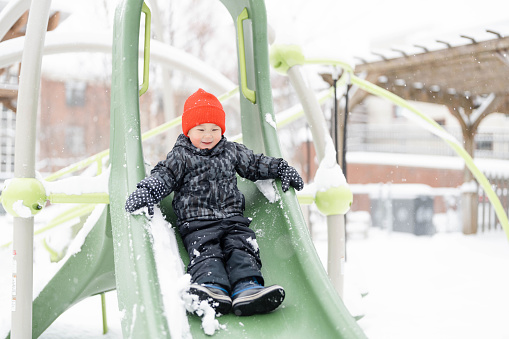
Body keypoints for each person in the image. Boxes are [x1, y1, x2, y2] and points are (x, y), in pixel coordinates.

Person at [125, 88, 304, 316]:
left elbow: (254, 163)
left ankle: (247, 288)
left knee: (242, 248)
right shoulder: (180, 156)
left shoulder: (231, 151)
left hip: (232, 219)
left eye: (214, 129)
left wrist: (280, 168)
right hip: (197, 223)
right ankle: (211, 288)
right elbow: (164, 176)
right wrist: (147, 192)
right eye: (201, 130)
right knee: (206, 253)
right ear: (188, 131)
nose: (208, 135)